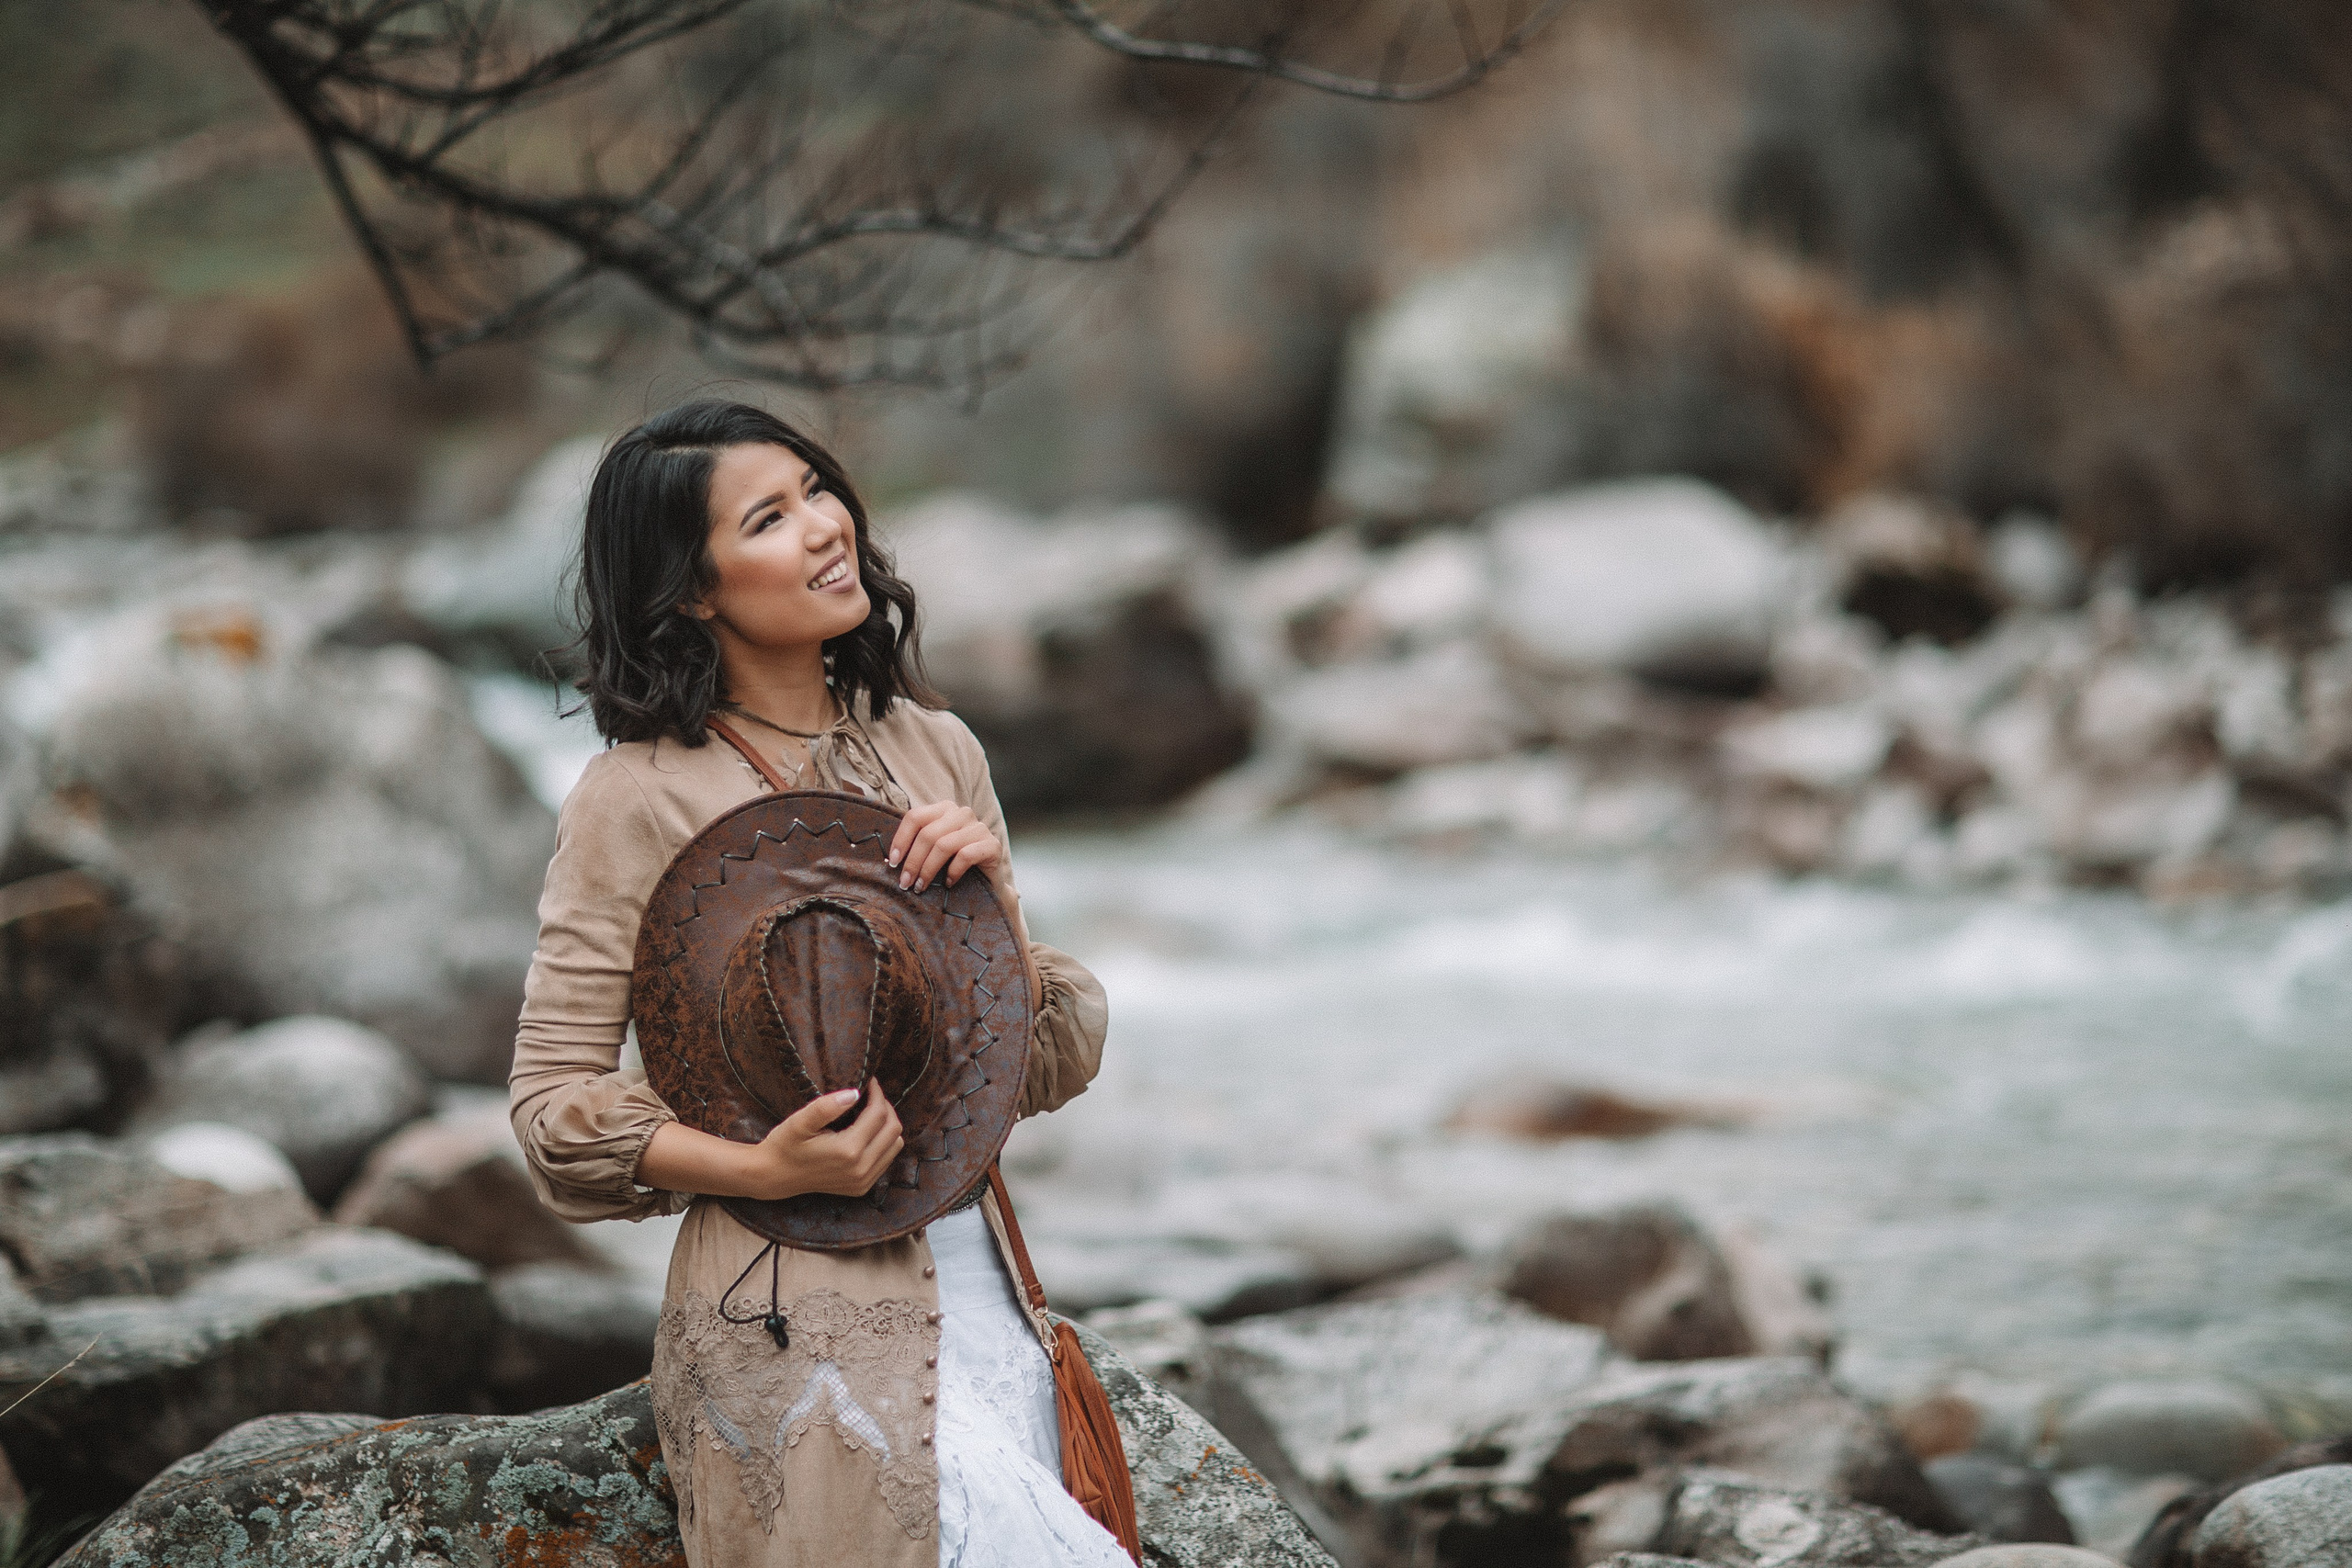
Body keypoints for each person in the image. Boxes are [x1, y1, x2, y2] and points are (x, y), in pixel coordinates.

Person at [507, 400, 1132, 1568]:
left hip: (983, 1286)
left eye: (815, 491)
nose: (822, 527)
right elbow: (549, 1111)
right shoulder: (633, 794)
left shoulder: (935, 748)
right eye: (768, 517)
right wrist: (760, 1167)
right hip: (783, 1305)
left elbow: (1029, 1064)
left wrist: (989, 900)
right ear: (695, 589)